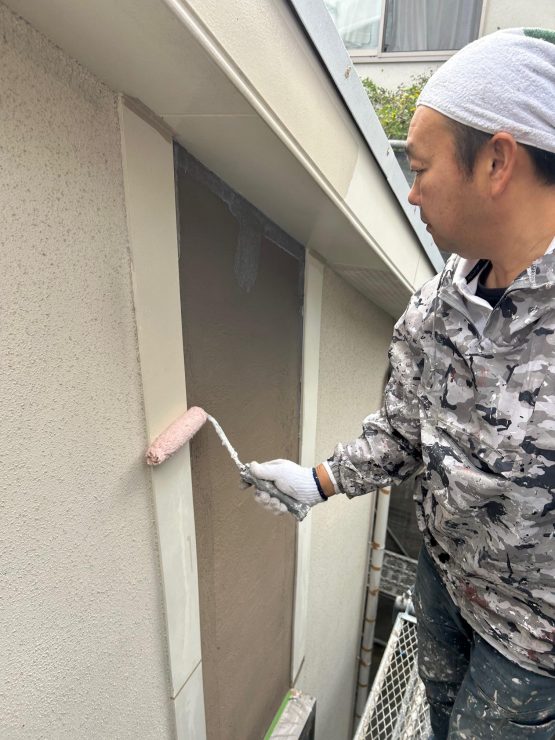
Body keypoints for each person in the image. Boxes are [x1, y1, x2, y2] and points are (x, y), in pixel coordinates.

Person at [248, 28, 555, 740]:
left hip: (532, 647)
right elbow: (402, 427)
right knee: (439, 711)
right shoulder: (440, 301)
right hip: (444, 581)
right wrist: (317, 482)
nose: (410, 193)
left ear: (497, 162)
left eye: (419, 168)